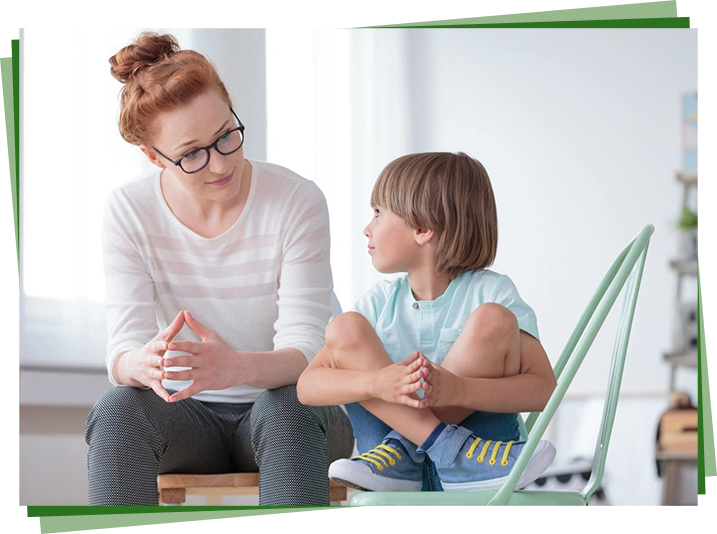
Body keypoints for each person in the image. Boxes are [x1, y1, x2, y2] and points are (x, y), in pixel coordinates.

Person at [84, 32, 353, 506]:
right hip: (189, 423)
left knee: (287, 406)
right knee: (118, 409)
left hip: (290, 413)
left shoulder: (296, 200)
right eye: (191, 154)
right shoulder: (129, 211)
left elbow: (307, 351)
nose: (220, 164)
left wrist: (236, 367)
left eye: (226, 135)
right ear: (153, 157)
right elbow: (121, 351)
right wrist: (139, 363)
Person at [297, 152, 557, 492]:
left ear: (422, 228)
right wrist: (378, 383)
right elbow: (307, 386)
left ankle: (415, 451)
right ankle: (433, 452)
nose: (367, 227)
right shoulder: (377, 305)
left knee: (493, 319)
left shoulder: (492, 294)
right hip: (391, 472)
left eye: (378, 213)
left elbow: (543, 391)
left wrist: (460, 388)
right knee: (344, 327)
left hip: (485, 469)